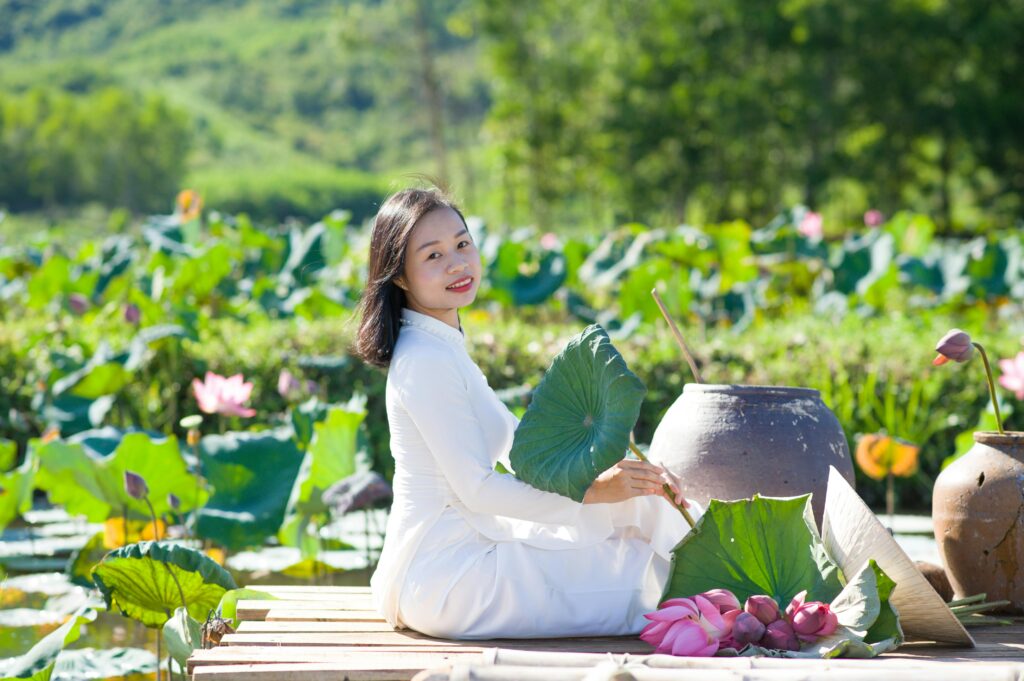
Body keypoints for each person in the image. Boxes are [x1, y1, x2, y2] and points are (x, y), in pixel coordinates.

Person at [353, 187, 698, 640]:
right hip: (451, 578)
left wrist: (612, 469)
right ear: (399, 277)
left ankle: (726, 582)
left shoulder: (441, 345)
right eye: (433, 256)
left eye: (462, 244)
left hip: (470, 550)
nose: (457, 264)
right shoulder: (425, 361)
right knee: (650, 583)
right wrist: (592, 492)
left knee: (647, 511)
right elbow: (477, 489)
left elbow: (522, 449)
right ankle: (740, 600)